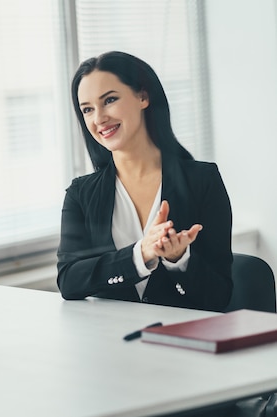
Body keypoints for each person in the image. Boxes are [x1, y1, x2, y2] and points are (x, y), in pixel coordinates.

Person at [56, 51, 233, 312]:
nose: (99, 118)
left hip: (184, 343)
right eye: (87, 109)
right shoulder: (80, 194)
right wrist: (140, 255)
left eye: (110, 100)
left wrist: (178, 259)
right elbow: (69, 281)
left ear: (143, 96)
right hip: (110, 342)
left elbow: (219, 296)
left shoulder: (202, 181)